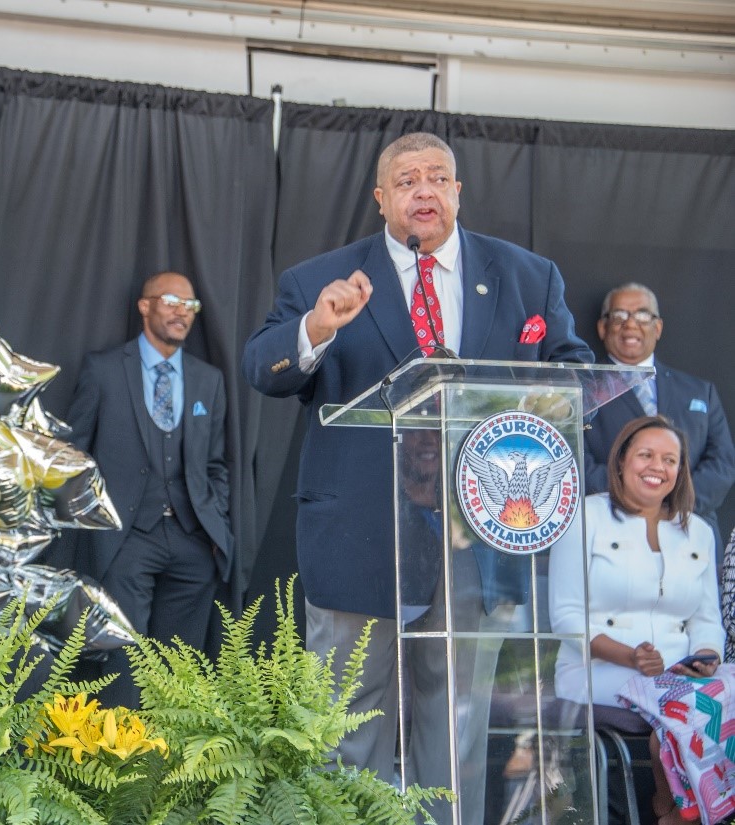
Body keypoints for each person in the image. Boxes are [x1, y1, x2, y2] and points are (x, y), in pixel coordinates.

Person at [242, 132, 593, 818]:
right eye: (406, 181)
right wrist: (315, 326)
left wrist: (547, 398)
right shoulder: (322, 279)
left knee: (454, 734)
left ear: (458, 191)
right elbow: (263, 366)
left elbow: (574, 373)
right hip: (359, 537)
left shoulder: (527, 275)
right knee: (345, 731)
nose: (424, 190)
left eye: (437, 177)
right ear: (381, 199)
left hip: (479, 543)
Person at [65, 271, 232, 707]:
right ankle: (121, 759)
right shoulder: (103, 369)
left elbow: (215, 464)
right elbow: (74, 456)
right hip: (125, 537)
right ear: (145, 305)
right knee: (123, 656)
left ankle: (169, 757)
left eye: (191, 305)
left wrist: (216, 526)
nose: (182, 312)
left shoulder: (208, 379)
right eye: (173, 300)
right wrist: (92, 529)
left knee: (180, 663)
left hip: (193, 540)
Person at [551, 416, 724, 825]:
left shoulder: (698, 531)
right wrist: (629, 656)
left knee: (718, 692)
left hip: (681, 674)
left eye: (669, 460)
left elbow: (706, 619)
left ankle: (686, 809)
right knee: (687, 703)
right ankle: (678, 813)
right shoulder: (584, 517)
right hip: (597, 670)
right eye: (646, 455)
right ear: (622, 460)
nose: (657, 467)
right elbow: (566, 616)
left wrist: (706, 656)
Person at [583, 283, 735, 551]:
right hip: (613, 532)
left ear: (658, 327)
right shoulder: (583, 390)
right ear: (602, 328)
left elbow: (723, 462)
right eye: (619, 316)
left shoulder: (700, 391)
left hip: (691, 532)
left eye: (642, 316)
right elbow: (577, 460)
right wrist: (637, 502)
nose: (630, 325)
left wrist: (675, 503)